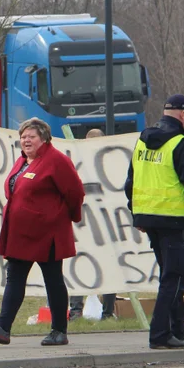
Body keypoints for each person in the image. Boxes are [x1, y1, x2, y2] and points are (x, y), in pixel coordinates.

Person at [0, 118, 85, 348]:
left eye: (31, 136)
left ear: (44, 138)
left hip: (47, 233)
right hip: (20, 234)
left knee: (53, 280)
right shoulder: (22, 162)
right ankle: (3, 328)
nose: (26, 141)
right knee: (14, 278)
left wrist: (67, 217)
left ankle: (59, 331)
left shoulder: (56, 161)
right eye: (23, 137)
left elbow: (75, 192)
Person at [124, 95, 184, 349]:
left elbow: (130, 182)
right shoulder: (181, 142)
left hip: (149, 217)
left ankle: (178, 327)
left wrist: (138, 215)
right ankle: (160, 334)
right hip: (173, 219)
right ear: (183, 114)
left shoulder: (143, 139)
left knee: (170, 274)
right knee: (174, 277)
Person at [68, 127, 117, 320]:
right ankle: (106, 311)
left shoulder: (77, 163)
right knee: (106, 267)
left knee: (84, 266)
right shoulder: (108, 163)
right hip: (93, 224)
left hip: (88, 224)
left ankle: (77, 310)